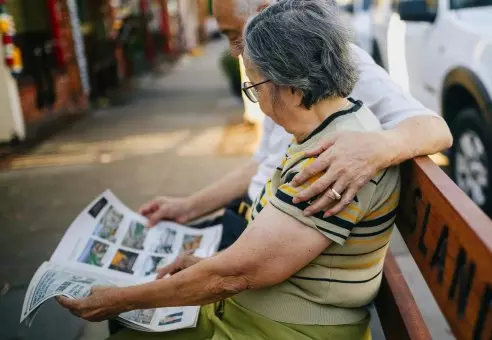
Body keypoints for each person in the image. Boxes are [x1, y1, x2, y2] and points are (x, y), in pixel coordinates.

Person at [58, 1, 401, 338]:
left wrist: (119, 300)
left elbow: (236, 276)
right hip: (257, 311)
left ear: (293, 89)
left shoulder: (328, 163)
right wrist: (205, 264)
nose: (259, 103)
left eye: (254, 87)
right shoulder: (337, 125)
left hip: (280, 329)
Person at [137, 0, 453, 248]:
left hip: (276, 233)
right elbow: (261, 164)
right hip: (253, 218)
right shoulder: (275, 77)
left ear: (264, 14)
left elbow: (435, 128)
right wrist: (188, 208)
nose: (234, 49)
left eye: (234, 35)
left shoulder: (328, 62)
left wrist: (378, 148)